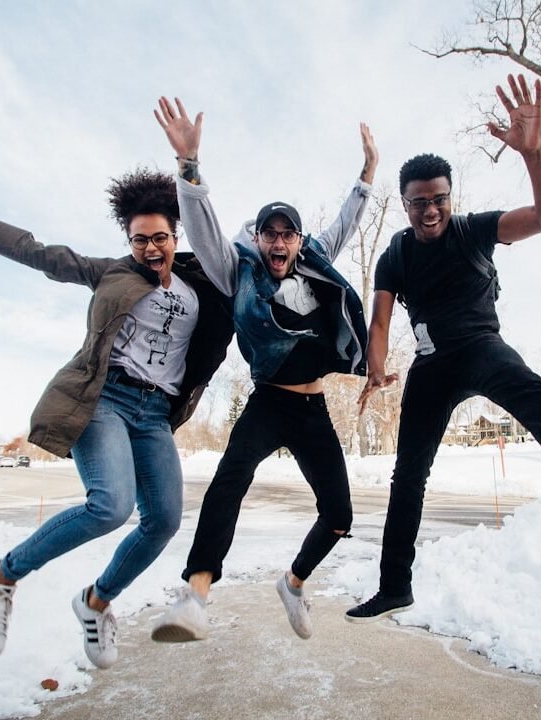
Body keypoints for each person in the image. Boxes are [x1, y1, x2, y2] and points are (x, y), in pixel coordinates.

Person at [345, 73, 541, 623]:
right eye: (419, 203)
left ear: (450, 197)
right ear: (404, 203)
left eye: (439, 199)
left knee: (538, 400)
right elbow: (382, 320)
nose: (430, 211)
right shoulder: (395, 254)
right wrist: (377, 368)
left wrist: (534, 155)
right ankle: (394, 585)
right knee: (408, 474)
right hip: (432, 366)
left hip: (482, 347)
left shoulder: (475, 230)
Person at [0, 169, 233, 667]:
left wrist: (191, 169)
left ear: (176, 237)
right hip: (104, 401)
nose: (151, 248)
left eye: (160, 237)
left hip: (156, 413)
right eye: (140, 240)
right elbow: (34, 250)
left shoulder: (202, 280)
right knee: (110, 506)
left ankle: (96, 601)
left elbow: (227, 247)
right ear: (128, 242)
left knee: (163, 521)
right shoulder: (112, 272)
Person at [149, 96, 378, 641]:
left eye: (287, 234)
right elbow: (203, 232)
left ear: (298, 240)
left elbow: (347, 221)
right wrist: (189, 169)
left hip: (312, 405)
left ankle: (294, 583)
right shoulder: (239, 272)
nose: (278, 242)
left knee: (340, 515)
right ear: (258, 239)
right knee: (229, 483)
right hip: (269, 401)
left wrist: (368, 174)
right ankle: (196, 595)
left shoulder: (316, 259)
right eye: (270, 234)